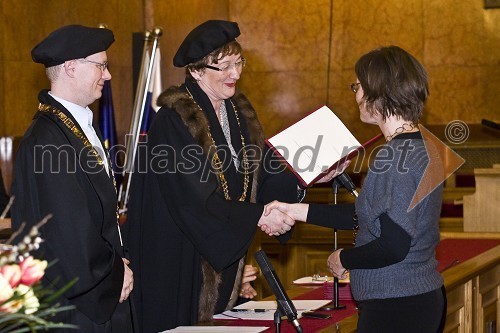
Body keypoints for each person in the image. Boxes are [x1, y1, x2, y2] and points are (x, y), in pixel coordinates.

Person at [124, 20, 338, 332]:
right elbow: (194, 200)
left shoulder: (238, 112)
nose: (235, 74)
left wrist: (306, 173)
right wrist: (259, 215)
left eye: (238, 63)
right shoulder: (172, 122)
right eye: (223, 66)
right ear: (197, 71)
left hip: (223, 253)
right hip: (180, 258)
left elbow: (262, 173)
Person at [264, 46, 447, 333]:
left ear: (379, 90)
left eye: (358, 86)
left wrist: (343, 258)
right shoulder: (426, 144)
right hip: (418, 296)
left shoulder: (393, 158)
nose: (356, 95)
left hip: (395, 303)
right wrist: (294, 211)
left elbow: (394, 245)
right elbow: (371, 215)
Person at [11, 25, 134, 332]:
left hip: (95, 301)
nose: (107, 75)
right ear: (70, 68)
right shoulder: (47, 140)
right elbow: (68, 234)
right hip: (79, 309)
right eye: (101, 65)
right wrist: (115, 275)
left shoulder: (73, 128)